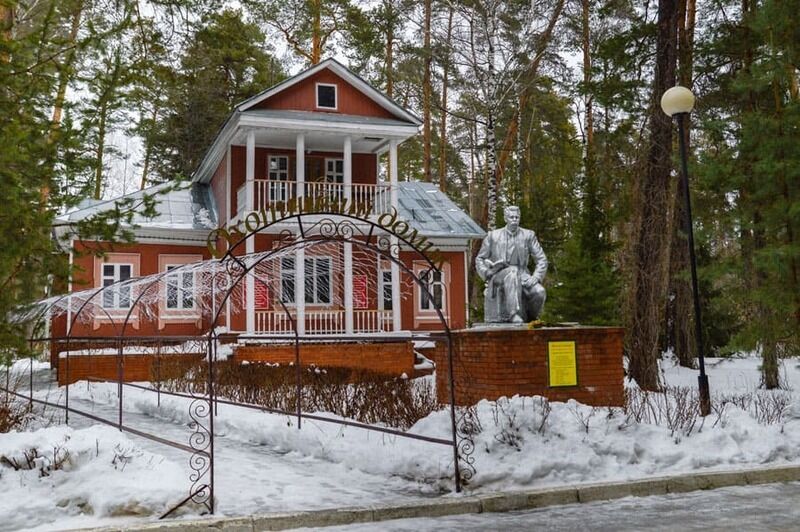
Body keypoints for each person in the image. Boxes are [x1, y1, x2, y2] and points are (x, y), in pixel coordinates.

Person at [475, 206, 547, 323]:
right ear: (505, 218)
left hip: (523, 275)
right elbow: (480, 259)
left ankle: (531, 319)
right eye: (511, 217)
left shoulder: (528, 235)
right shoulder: (493, 236)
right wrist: (487, 272)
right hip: (499, 275)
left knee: (539, 292)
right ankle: (514, 314)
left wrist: (536, 277)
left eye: (517, 217)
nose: (514, 220)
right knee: (512, 271)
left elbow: (541, 259)